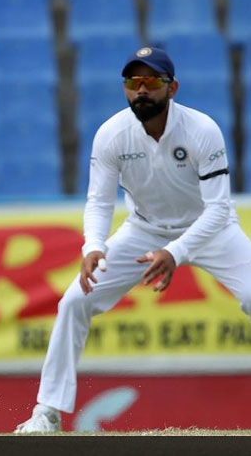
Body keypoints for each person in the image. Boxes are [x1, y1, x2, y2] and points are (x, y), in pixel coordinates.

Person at [15, 46, 251, 433]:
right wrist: (94, 246)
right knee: (74, 302)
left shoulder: (202, 130)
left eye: (152, 81)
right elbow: (98, 201)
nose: (141, 89)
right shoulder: (112, 134)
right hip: (144, 229)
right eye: (133, 81)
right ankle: (47, 412)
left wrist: (175, 252)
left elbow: (217, 209)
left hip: (212, 230)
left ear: (172, 87)